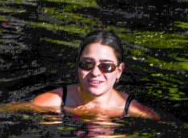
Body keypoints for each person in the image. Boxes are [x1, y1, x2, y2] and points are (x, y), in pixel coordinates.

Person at [31, 29, 159, 119]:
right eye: (87, 64)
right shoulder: (49, 103)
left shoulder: (138, 112)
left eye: (106, 66)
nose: (95, 73)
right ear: (77, 65)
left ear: (119, 71)